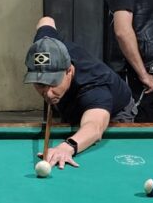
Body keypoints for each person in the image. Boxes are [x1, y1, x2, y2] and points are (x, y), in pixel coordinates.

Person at [23, 16, 136, 168]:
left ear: (69, 71)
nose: (47, 93)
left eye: (53, 82)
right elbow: (46, 21)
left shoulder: (94, 87)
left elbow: (94, 126)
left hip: (115, 112)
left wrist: (67, 147)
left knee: (104, 162)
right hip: (73, 102)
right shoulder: (45, 47)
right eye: (40, 84)